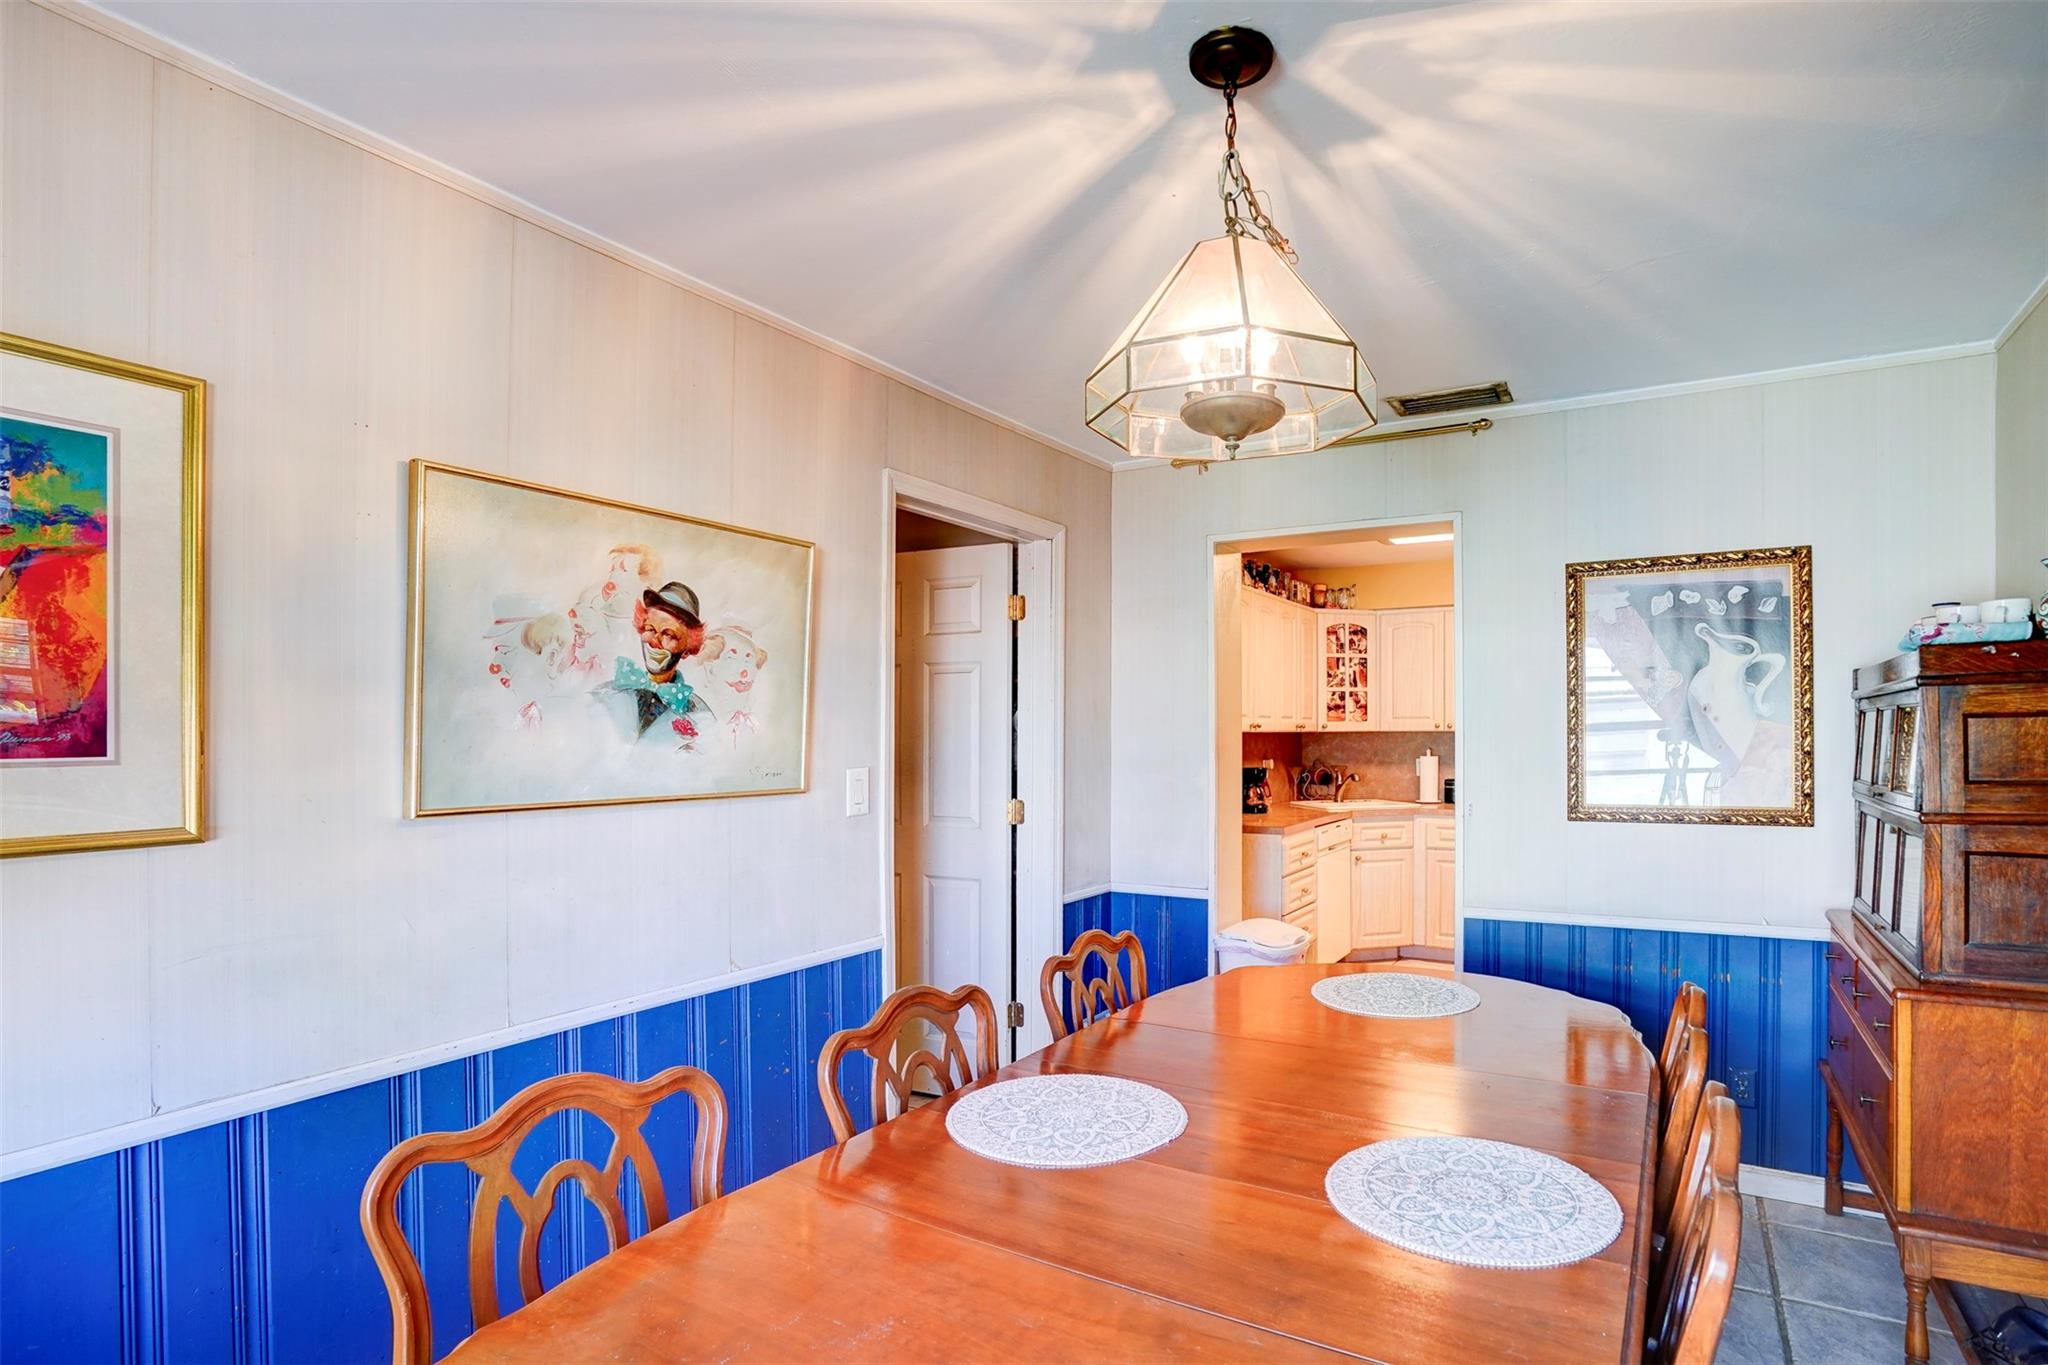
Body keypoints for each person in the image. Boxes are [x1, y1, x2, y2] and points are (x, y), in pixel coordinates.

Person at [594, 580, 712, 746]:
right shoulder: (602, 696)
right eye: (650, 629)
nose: (654, 641)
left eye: (669, 634)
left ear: (687, 649)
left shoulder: (701, 718)